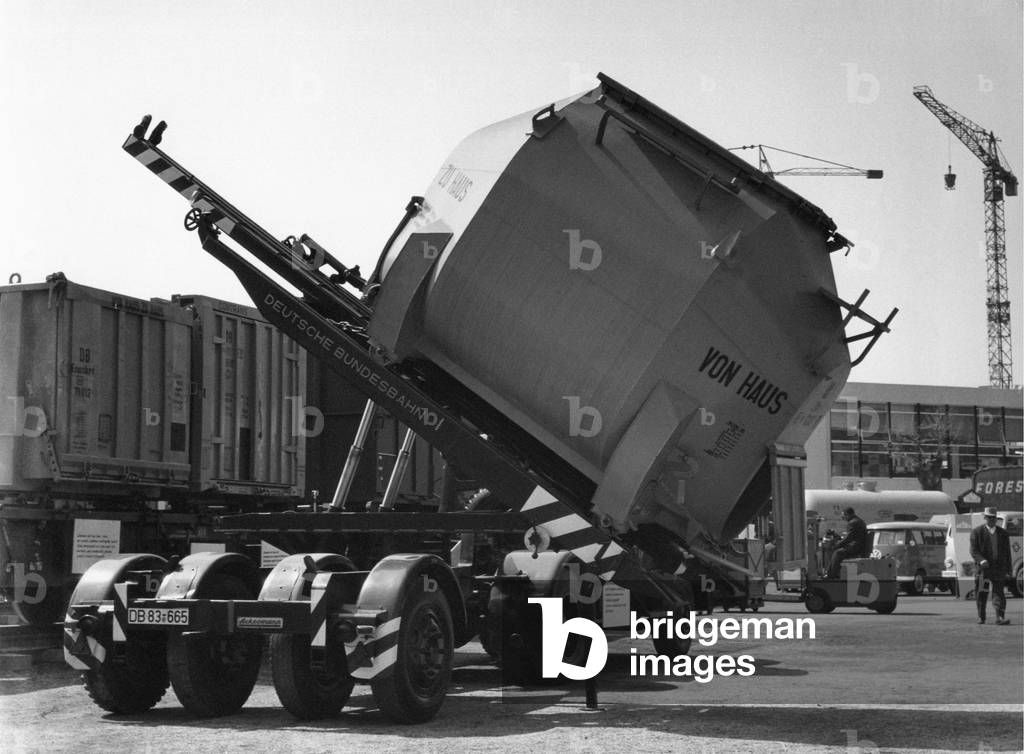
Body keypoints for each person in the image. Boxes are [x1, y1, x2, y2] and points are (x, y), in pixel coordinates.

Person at [969, 507, 1012, 625]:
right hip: (984, 569)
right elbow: (973, 550)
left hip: (999, 569)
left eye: (994, 518)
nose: (992, 520)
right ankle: (981, 617)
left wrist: (1009, 569)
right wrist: (981, 560)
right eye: (989, 518)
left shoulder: (1003, 533)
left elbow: (1007, 553)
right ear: (985, 518)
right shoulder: (977, 532)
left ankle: (1000, 617)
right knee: (982, 593)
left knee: (999, 593)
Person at [826, 507, 868, 578]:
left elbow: (849, 538)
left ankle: (832, 575)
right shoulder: (858, 521)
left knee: (837, 553)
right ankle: (833, 573)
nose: (843, 518)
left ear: (848, 515)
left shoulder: (853, 522)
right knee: (838, 551)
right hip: (859, 545)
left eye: (843, 516)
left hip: (856, 547)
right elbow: (851, 536)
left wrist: (837, 545)